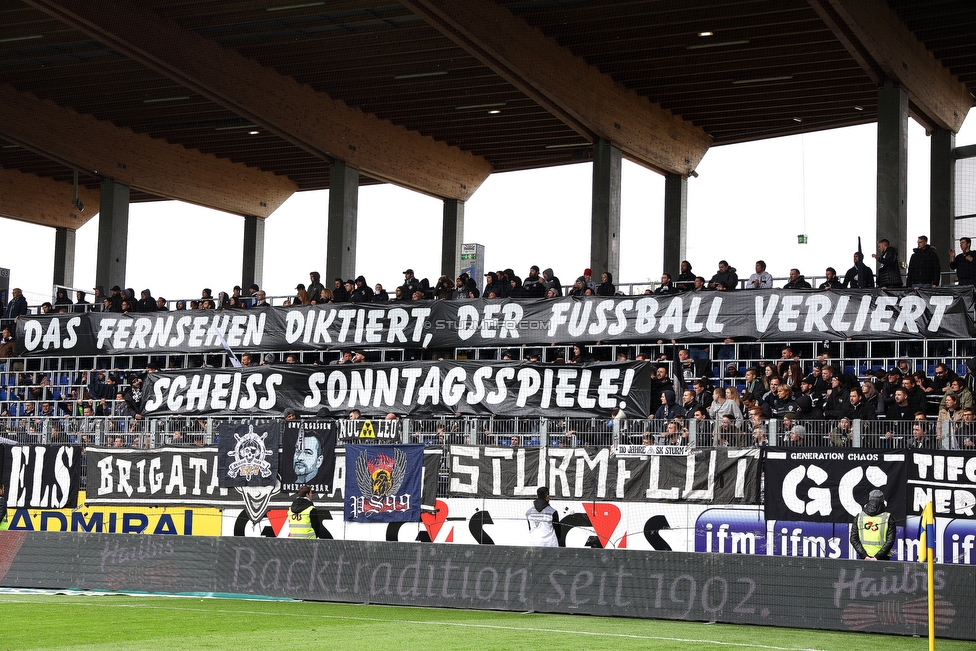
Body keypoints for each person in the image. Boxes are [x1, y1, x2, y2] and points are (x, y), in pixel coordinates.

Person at [850, 489, 895, 560]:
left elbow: (853, 538)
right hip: (882, 559)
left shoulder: (859, 517)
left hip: (864, 559)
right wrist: (878, 556)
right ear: (882, 501)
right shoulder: (888, 518)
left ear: (869, 500)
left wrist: (864, 555)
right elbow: (890, 540)